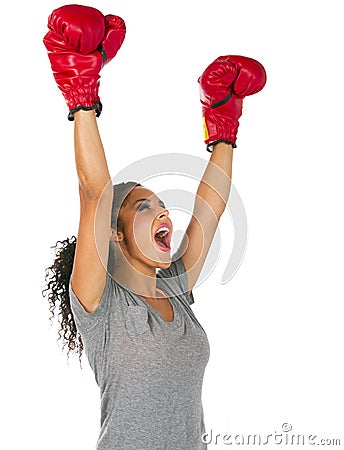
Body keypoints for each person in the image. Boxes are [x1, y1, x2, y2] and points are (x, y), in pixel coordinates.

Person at [42, 4, 266, 450]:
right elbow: (94, 193)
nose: (164, 214)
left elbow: (210, 207)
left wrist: (223, 122)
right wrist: (81, 93)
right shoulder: (99, 305)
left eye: (163, 206)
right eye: (144, 208)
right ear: (115, 234)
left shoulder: (176, 289)